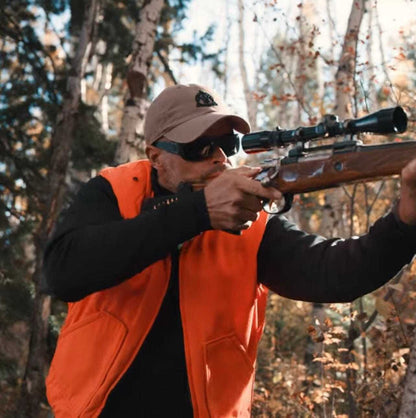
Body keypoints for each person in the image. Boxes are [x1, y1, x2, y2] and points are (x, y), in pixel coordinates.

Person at [43, 83, 416, 418]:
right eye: (199, 148)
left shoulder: (248, 219)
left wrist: (405, 221)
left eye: (226, 145)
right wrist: (198, 213)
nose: (218, 158)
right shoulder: (113, 191)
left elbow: (334, 274)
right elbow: (63, 272)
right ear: (156, 156)